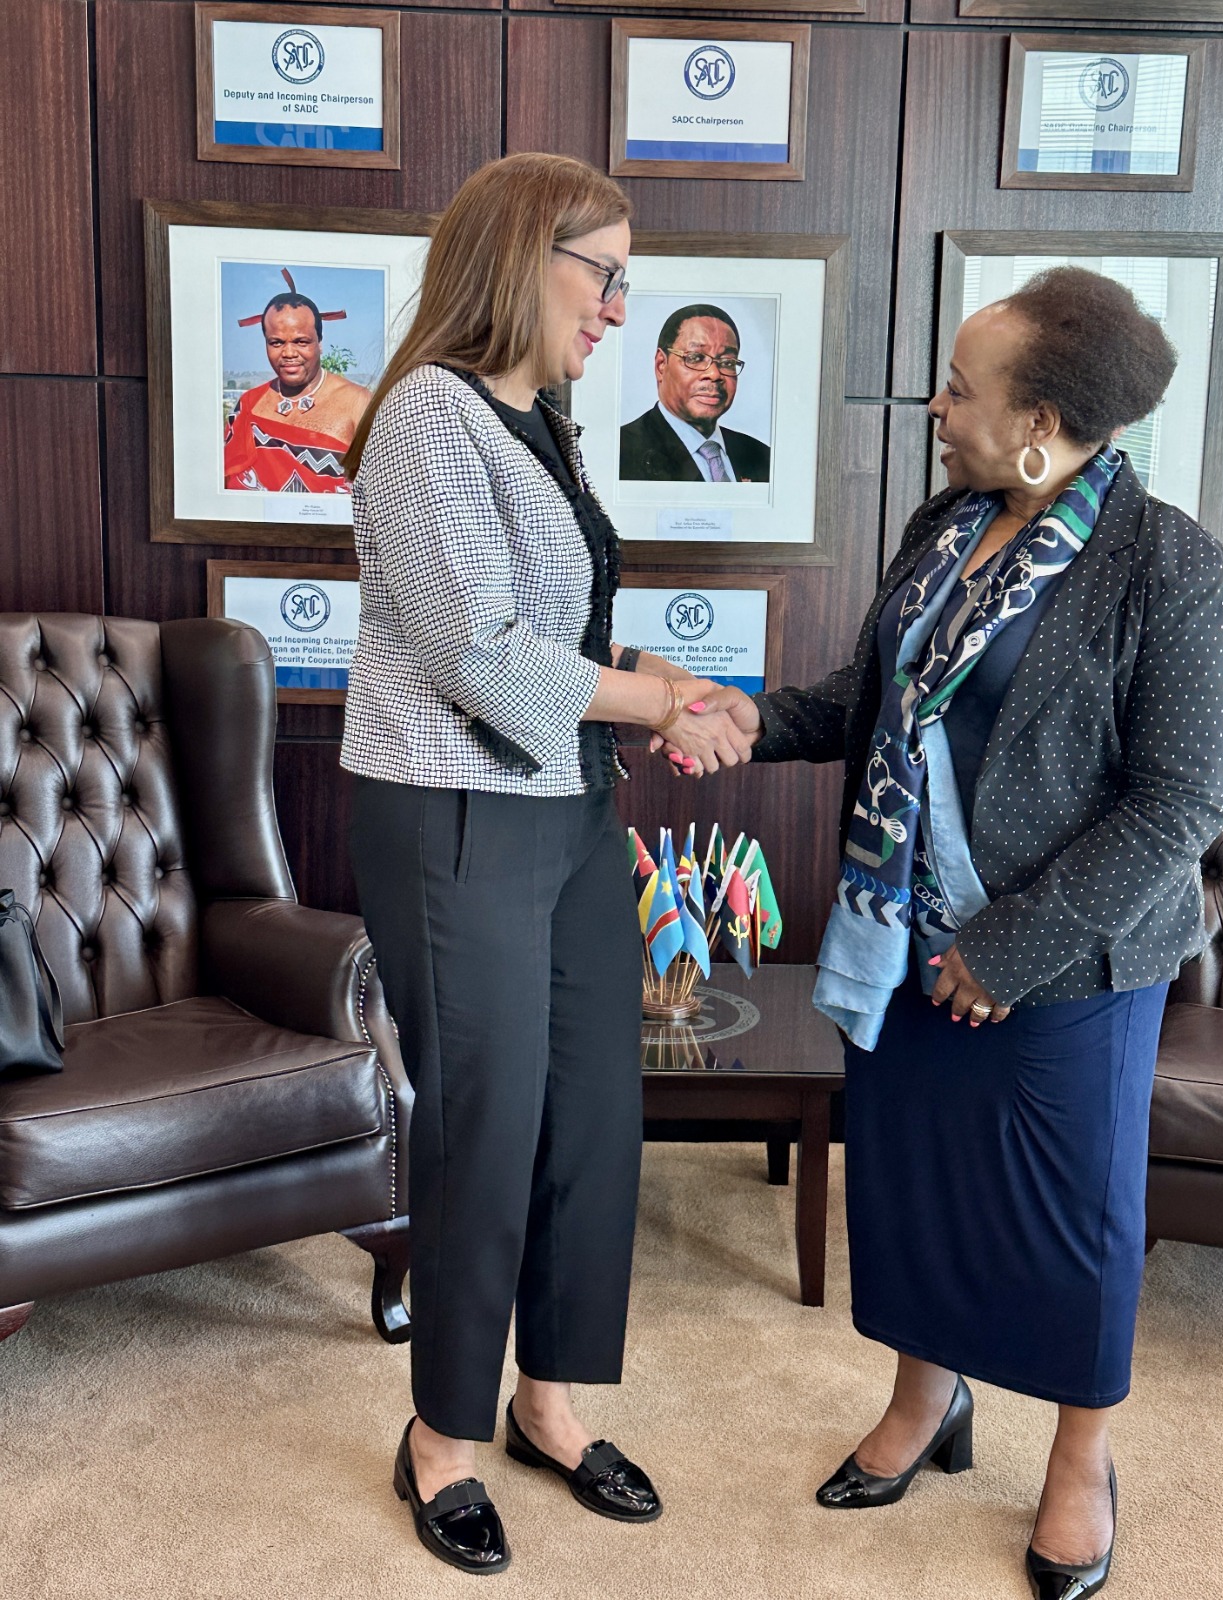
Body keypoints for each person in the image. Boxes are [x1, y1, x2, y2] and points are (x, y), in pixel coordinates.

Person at [665, 267, 1223, 1597]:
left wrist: (1007, 949)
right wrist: (758, 718)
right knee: (912, 1181)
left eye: (958, 389)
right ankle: (924, 1399)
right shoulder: (946, 522)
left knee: (1069, 1212)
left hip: (1068, 959)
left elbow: (1177, 802)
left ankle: (1080, 1457)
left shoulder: (1171, 568)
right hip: (901, 931)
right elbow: (875, 701)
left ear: (1038, 421)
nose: (934, 408)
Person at [340, 153, 753, 1577]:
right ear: (524, 255)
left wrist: (657, 683)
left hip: (568, 808)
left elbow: (557, 635)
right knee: (488, 1121)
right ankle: (441, 1438)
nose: (620, 311)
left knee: (590, 1113)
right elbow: (473, 648)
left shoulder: (545, 423)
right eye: (607, 277)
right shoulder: (426, 413)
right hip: (450, 811)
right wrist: (654, 706)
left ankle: (549, 1406)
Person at [224, 288, 370, 494]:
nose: (289, 353)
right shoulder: (250, 404)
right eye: (276, 343)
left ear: (319, 343)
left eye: (301, 342)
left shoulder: (358, 403)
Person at [618, 303, 770, 482]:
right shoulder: (622, 452)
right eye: (695, 358)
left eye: (727, 362)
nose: (714, 374)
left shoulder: (760, 456)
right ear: (661, 365)